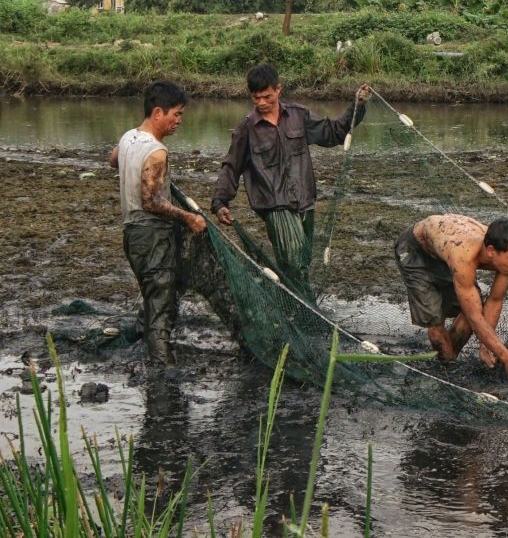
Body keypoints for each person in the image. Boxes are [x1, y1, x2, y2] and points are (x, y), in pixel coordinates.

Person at [211, 64, 371, 294]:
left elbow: (334, 132)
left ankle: (292, 308)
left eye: (267, 97)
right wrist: (220, 202)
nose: (262, 103)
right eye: (256, 98)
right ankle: (309, 316)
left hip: (305, 201)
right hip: (275, 206)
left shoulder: (298, 115)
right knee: (294, 262)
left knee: (300, 264)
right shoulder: (247, 129)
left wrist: (357, 105)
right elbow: (231, 166)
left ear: (278, 90)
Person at [109, 81, 207, 364]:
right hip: (152, 237)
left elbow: (112, 159)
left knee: (153, 297)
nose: (179, 121)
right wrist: (189, 217)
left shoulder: (129, 137)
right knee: (161, 307)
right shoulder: (157, 152)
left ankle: (143, 350)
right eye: (176, 114)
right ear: (157, 113)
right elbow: (151, 202)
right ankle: (161, 372)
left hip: (132, 236)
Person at [394, 215, 508, 387]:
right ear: (491, 251)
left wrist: (486, 346)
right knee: (435, 321)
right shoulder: (465, 258)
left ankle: (448, 362)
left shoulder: (506, 253)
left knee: (473, 309)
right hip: (416, 250)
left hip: (446, 251)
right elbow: (475, 317)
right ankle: (448, 377)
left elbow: (495, 300)